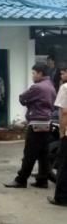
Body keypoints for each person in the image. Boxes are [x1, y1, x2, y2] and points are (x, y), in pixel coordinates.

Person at [5, 63, 55, 189]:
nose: (32, 76)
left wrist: (29, 103)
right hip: (47, 122)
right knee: (43, 153)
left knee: (29, 153)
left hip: (36, 122)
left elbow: (22, 98)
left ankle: (21, 179)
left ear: (40, 74)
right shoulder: (51, 86)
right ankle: (42, 179)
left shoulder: (37, 87)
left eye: (34, 73)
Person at [50, 68, 67, 206]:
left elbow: (64, 112)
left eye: (63, 73)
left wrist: (62, 132)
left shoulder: (65, 88)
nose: (61, 76)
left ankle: (61, 197)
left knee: (63, 165)